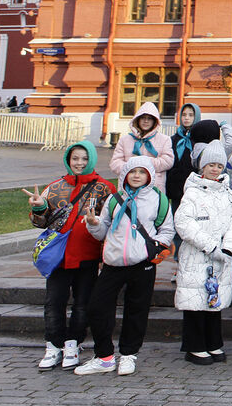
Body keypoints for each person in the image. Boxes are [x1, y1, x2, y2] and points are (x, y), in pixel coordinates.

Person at [75, 156, 176, 376]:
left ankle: (129, 354)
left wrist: (156, 247)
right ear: (125, 175)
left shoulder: (159, 199)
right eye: (133, 172)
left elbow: (167, 229)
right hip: (114, 262)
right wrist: (94, 224)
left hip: (142, 262)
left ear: (149, 175)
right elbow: (103, 230)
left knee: (136, 310)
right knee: (97, 307)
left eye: (142, 172)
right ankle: (104, 356)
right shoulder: (114, 199)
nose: (137, 176)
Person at [25, 140, 114, 370]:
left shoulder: (104, 188)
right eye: (75, 158)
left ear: (92, 160)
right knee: (54, 302)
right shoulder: (54, 187)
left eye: (84, 159)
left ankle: (73, 343)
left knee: (82, 303)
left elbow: (111, 224)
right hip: (59, 257)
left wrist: (106, 256)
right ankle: (53, 345)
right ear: (68, 159)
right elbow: (41, 222)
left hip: (88, 256)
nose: (79, 163)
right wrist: (38, 208)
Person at [173, 141, 232, 365]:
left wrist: (227, 246)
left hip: (220, 257)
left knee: (214, 300)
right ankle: (195, 346)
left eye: (219, 166)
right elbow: (183, 223)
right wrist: (210, 245)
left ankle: (213, 343)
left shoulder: (228, 194)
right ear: (202, 167)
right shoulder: (192, 193)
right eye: (210, 165)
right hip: (197, 255)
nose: (215, 170)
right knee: (195, 301)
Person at [109, 102, 174, 177]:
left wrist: (144, 162)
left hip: (154, 185)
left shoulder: (164, 140)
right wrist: (132, 168)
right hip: (129, 184)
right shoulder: (124, 140)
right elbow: (115, 163)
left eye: (149, 118)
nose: (146, 121)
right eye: (143, 118)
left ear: (155, 121)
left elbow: (167, 162)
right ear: (138, 119)